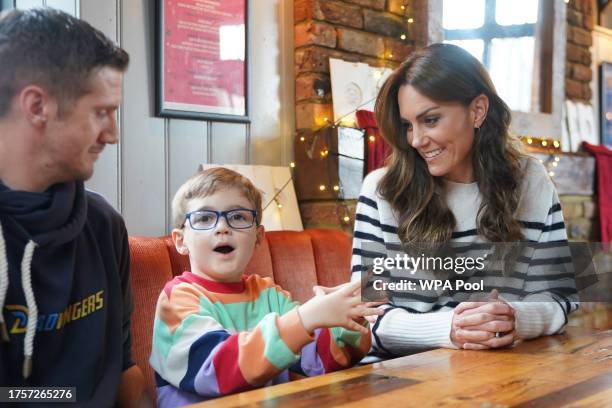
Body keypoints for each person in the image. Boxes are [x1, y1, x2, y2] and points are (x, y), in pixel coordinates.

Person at [351, 43, 578, 356]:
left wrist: (514, 319)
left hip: (501, 373)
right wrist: (451, 329)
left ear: (477, 110)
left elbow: (560, 295)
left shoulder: (530, 181)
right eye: (408, 125)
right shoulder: (381, 191)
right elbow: (365, 317)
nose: (416, 140)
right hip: (402, 379)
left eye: (430, 120)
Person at [0, 8, 148, 406]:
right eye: (102, 112)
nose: (113, 135)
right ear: (36, 107)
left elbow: (122, 367)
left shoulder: (103, 225)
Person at [150, 168, 382, 407]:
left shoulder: (270, 295)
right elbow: (219, 370)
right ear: (181, 241)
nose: (222, 227)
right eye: (204, 218)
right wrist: (304, 319)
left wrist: (352, 317)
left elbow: (321, 361)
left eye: (238, 217)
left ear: (258, 237)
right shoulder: (178, 299)